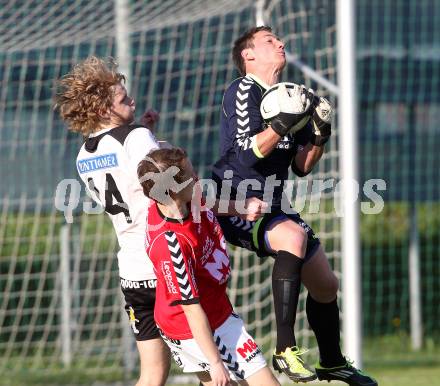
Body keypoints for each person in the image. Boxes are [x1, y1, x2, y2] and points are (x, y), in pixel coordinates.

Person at [55, 56, 266, 386]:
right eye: (124, 99)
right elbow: (177, 189)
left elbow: (128, 171)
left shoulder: (84, 155)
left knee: (152, 375)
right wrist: (239, 207)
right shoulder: (135, 137)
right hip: (166, 264)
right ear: (101, 110)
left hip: (132, 275)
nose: (133, 101)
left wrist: (147, 132)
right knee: (225, 369)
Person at [211, 26, 378, 386]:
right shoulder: (244, 90)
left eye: (279, 39)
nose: (281, 43)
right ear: (248, 55)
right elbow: (246, 153)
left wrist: (319, 134)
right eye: (270, 41)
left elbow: (302, 166)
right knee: (292, 238)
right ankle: (285, 349)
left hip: (274, 203)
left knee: (326, 284)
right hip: (237, 202)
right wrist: (281, 124)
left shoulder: (288, 97)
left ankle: (332, 362)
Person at [137, 147, 281, 386]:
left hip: (211, 309)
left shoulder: (176, 200)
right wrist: (215, 362)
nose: (197, 179)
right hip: (198, 326)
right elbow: (191, 310)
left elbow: (205, 203)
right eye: (191, 176)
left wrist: (240, 207)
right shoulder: (171, 245)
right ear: (172, 191)